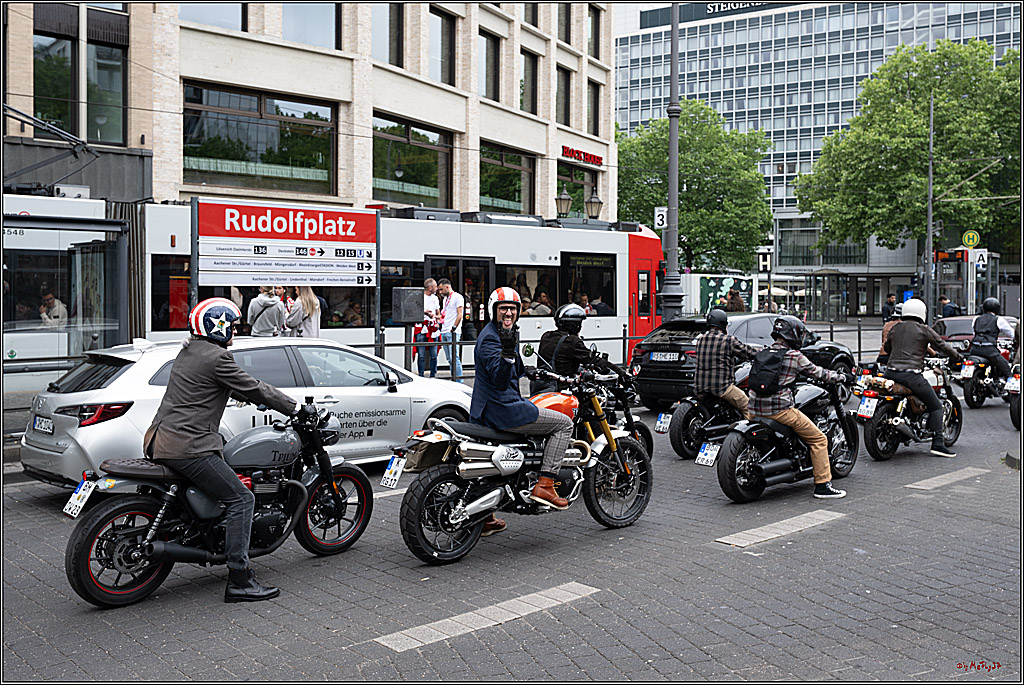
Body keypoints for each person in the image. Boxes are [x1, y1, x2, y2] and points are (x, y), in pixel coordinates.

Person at [143, 297, 311, 602]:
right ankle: (239, 578)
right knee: (241, 498)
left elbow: (211, 385)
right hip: (189, 446)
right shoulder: (218, 358)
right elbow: (256, 386)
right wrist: (295, 408)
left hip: (161, 439)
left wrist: (242, 394)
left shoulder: (190, 350)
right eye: (232, 325)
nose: (235, 330)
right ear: (217, 327)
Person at [471, 287, 575, 522]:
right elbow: (499, 379)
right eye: (503, 309)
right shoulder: (490, 338)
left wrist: (533, 371)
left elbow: (512, 368)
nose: (508, 313)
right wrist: (508, 355)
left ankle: (484, 518)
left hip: (495, 406)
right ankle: (546, 485)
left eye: (513, 309)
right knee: (564, 424)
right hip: (502, 409)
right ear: (493, 311)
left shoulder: (504, 333)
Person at [748, 316, 852, 498]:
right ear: (794, 334)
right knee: (819, 440)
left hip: (754, 410)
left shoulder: (763, 352)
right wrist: (843, 377)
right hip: (780, 411)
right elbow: (819, 373)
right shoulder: (794, 356)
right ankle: (823, 486)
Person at [883, 298, 964, 458]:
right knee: (935, 406)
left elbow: (887, 347)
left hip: (890, 372)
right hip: (911, 375)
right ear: (922, 313)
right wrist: (958, 357)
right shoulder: (924, 329)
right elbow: (941, 345)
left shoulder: (896, 327)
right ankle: (938, 444)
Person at [695, 309, 760, 420]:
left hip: (700, 388)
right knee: (747, 406)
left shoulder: (700, 340)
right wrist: (761, 353)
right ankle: (746, 434)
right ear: (723, 324)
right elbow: (748, 352)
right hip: (721, 388)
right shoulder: (728, 340)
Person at [535, 304, 596, 392]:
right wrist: (618, 371)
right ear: (574, 324)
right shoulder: (572, 341)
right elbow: (591, 359)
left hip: (544, 385)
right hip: (562, 388)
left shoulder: (546, 336)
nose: (580, 326)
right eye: (579, 323)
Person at [970, 297, 1013, 385]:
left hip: (975, 349)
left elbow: (974, 332)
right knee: (1006, 369)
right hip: (989, 350)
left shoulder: (976, 319)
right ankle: (1011, 387)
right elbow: (1012, 333)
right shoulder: (999, 320)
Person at [437, 278, 465, 382]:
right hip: (444, 330)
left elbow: (460, 314)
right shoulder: (445, 300)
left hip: (452, 332)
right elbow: (445, 315)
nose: (440, 292)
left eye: (441, 290)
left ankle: (459, 380)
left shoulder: (458, 297)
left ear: (447, 287)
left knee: (455, 358)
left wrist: (453, 328)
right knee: (449, 359)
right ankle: (454, 378)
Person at [415, 278, 441, 378]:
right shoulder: (419, 297)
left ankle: (433, 375)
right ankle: (421, 375)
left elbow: (439, 314)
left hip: (432, 327)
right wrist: (425, 312)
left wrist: (436, 319)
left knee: (433, 355)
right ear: (430, 288)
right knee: (421, 355)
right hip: (421, 326)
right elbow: (414, 312)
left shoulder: (435, 298)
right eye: (435, 286)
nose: (437, 288)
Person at [875, 302, 904, 367]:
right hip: (894, 357)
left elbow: (883, 341)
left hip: (882, 356)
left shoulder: (886, 325)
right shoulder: (902, 325)